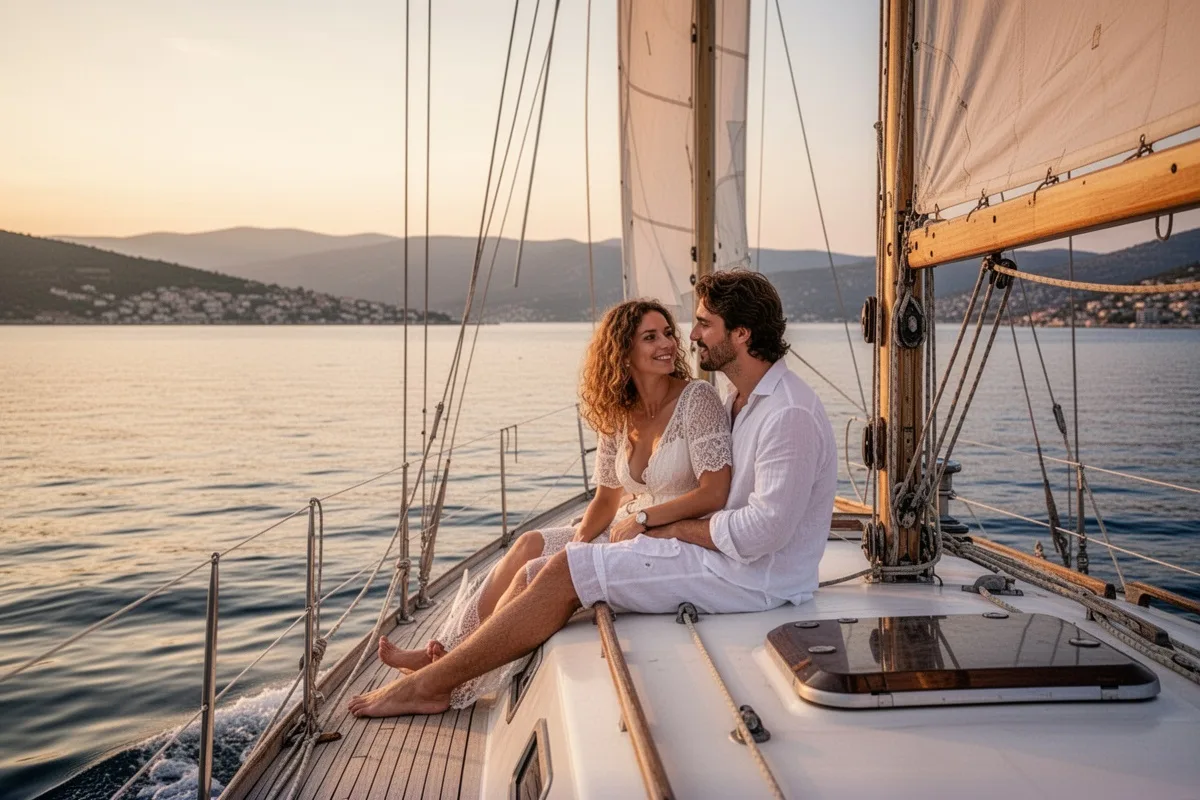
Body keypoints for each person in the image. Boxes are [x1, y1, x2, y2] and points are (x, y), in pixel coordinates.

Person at [349, 270, 837, 718]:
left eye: (703, 324)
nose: (688, 337)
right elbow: (638, 498)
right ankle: (444, 672)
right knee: (537, 563)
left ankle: (433, 685)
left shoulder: (786, 412)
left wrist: (665, 526)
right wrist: (645, 528)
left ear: (742, 334)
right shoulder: (742, 401)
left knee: (562, 570)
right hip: (718, 555)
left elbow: (762, 532)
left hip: (752, 577)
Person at [373, 298, 734, 708]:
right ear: (623, 351)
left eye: (667, 333)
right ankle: (444, 652)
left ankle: (450, 678)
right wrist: (578, 542)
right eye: (650, 337)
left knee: (534, 572)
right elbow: (606, 499)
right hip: (624, 527)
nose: (667, 344)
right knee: (529, 543)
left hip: (669, 535)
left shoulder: (697, 398)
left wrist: (646, 517)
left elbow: (714, 492)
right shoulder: (619, 412)